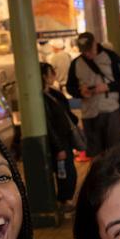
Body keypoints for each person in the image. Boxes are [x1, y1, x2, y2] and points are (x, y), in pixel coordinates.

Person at [67, 32, 120, 157]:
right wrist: (80, 92)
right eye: (84, 51)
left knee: (114, 151)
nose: (87, 54)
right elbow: (70, 87)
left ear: (95, 43)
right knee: (95, 153)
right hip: (89, 113)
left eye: (89, 50)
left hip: (111, 109)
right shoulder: (76, 64)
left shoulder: (111, 57)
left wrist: (107, 87)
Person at [42, 62, 79, 212]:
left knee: (70, 172)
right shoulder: (43, 98)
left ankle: (65, 200)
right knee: (66, 173)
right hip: (59, 143)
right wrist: (58, 147)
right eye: (51, 73)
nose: (54, 76)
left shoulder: (52, 93)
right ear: (44, 76)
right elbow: (49, 125)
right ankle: (63, 201)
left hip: (65, 140)